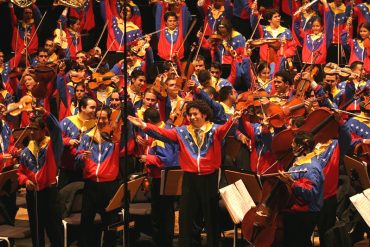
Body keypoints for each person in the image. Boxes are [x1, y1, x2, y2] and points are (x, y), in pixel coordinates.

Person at [128, 99, 241, 246]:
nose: (192, 117)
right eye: (189, 114)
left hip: (209, 178)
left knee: (211, 217)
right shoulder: (182, 132)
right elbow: (162, 133)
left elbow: (227, 128)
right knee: (186, 218)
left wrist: (234, 119)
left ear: (205, 115)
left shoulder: (215, 130)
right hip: (189, 178)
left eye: (195, 114)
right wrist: (144, 125)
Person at [76, 105, 123, 247]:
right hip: (91, 185)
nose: (100, 120)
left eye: (103, 118)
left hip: (109, 185)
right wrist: (82, 157)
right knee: (86, 222)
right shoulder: (87, 136)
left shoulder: (115, 139)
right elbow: (77, 157)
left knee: (110, 222)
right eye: (98, 117)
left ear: (109, 120)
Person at [17, 108, 64, 247]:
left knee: (54, 232)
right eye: (30, 128)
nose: (31, 132)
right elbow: (20, 172)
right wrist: (25, 181)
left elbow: (57, 129)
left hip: (49, 194)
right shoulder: (26, 150)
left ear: (44, 130)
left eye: (36, 129)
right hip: (33, 196)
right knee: (36, 234)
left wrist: (46, 113)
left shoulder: (53, 146)